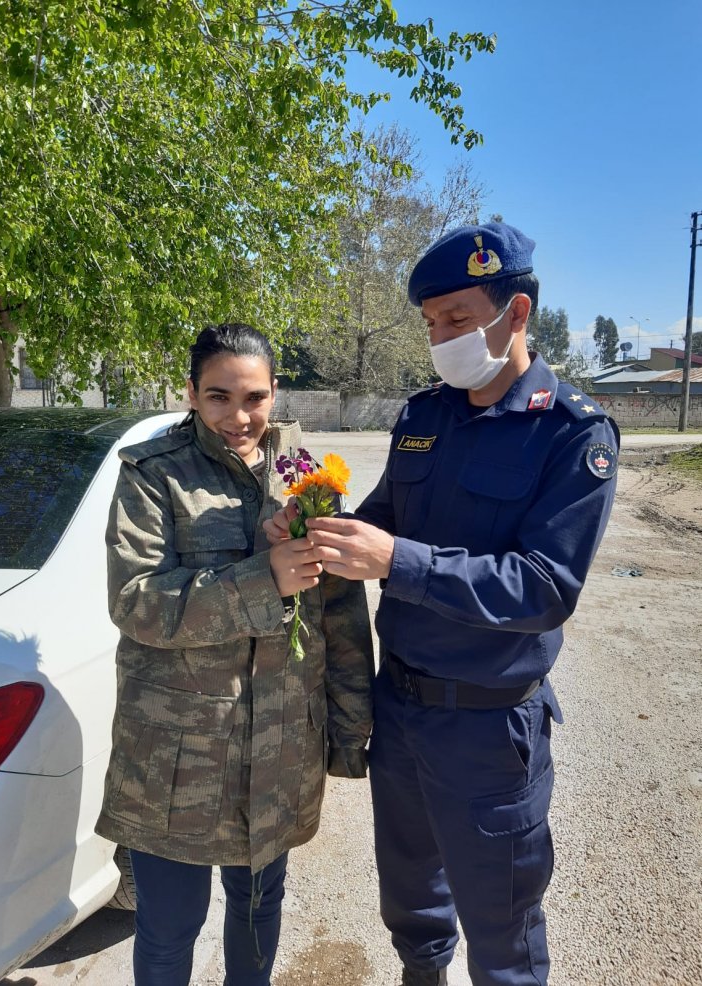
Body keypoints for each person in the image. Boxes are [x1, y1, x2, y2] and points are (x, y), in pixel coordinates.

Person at [264, 224, 619, 986]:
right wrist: (318, 525)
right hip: (402, 713)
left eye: (456, 319)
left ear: (516, 313)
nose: (440, 338)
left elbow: (544, 587)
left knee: (504, 933)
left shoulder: (570, 433)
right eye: (431, 324)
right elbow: (386, 515)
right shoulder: (423, 418)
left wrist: (397, 561)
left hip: (490, 727)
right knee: (414, 909)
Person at [96, 322, 374, 986]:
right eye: (218, 396)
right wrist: (263, 577)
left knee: (257, 916)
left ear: (275, 393)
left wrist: (351, 727)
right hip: (178, 759)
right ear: (191, 393)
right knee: (168, 930)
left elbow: (338, 609)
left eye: (254, 397)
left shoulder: (304, 474)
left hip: (278, 747)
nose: (238, 416)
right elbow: (135, 601)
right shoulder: (153, 475)